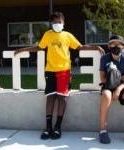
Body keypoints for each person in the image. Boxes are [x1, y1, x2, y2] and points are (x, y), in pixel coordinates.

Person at [14, 12, 104, 140]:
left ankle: (57, 127)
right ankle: (48, 127)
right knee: (50, 98)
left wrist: (96, 47)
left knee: (62, 98)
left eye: (59, 22)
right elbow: (39, 48)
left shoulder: (67, 35)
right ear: (51, 24)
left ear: (63, 22)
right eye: (54, 22)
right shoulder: (48, 34)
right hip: (50, 71)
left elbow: (80, 47)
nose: (57, 24)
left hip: (64, 71)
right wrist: (21, 50)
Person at [99, 35, 124, 144]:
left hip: (121, 86)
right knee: (106, 96)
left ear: (123, 46)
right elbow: (103, 78)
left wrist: (118, 88)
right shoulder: (105, 58)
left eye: (118, 44)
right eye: (113, 43)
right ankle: (102, 130)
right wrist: (119, 77)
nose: (116, 46)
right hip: (108, 85)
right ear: (109, 46)